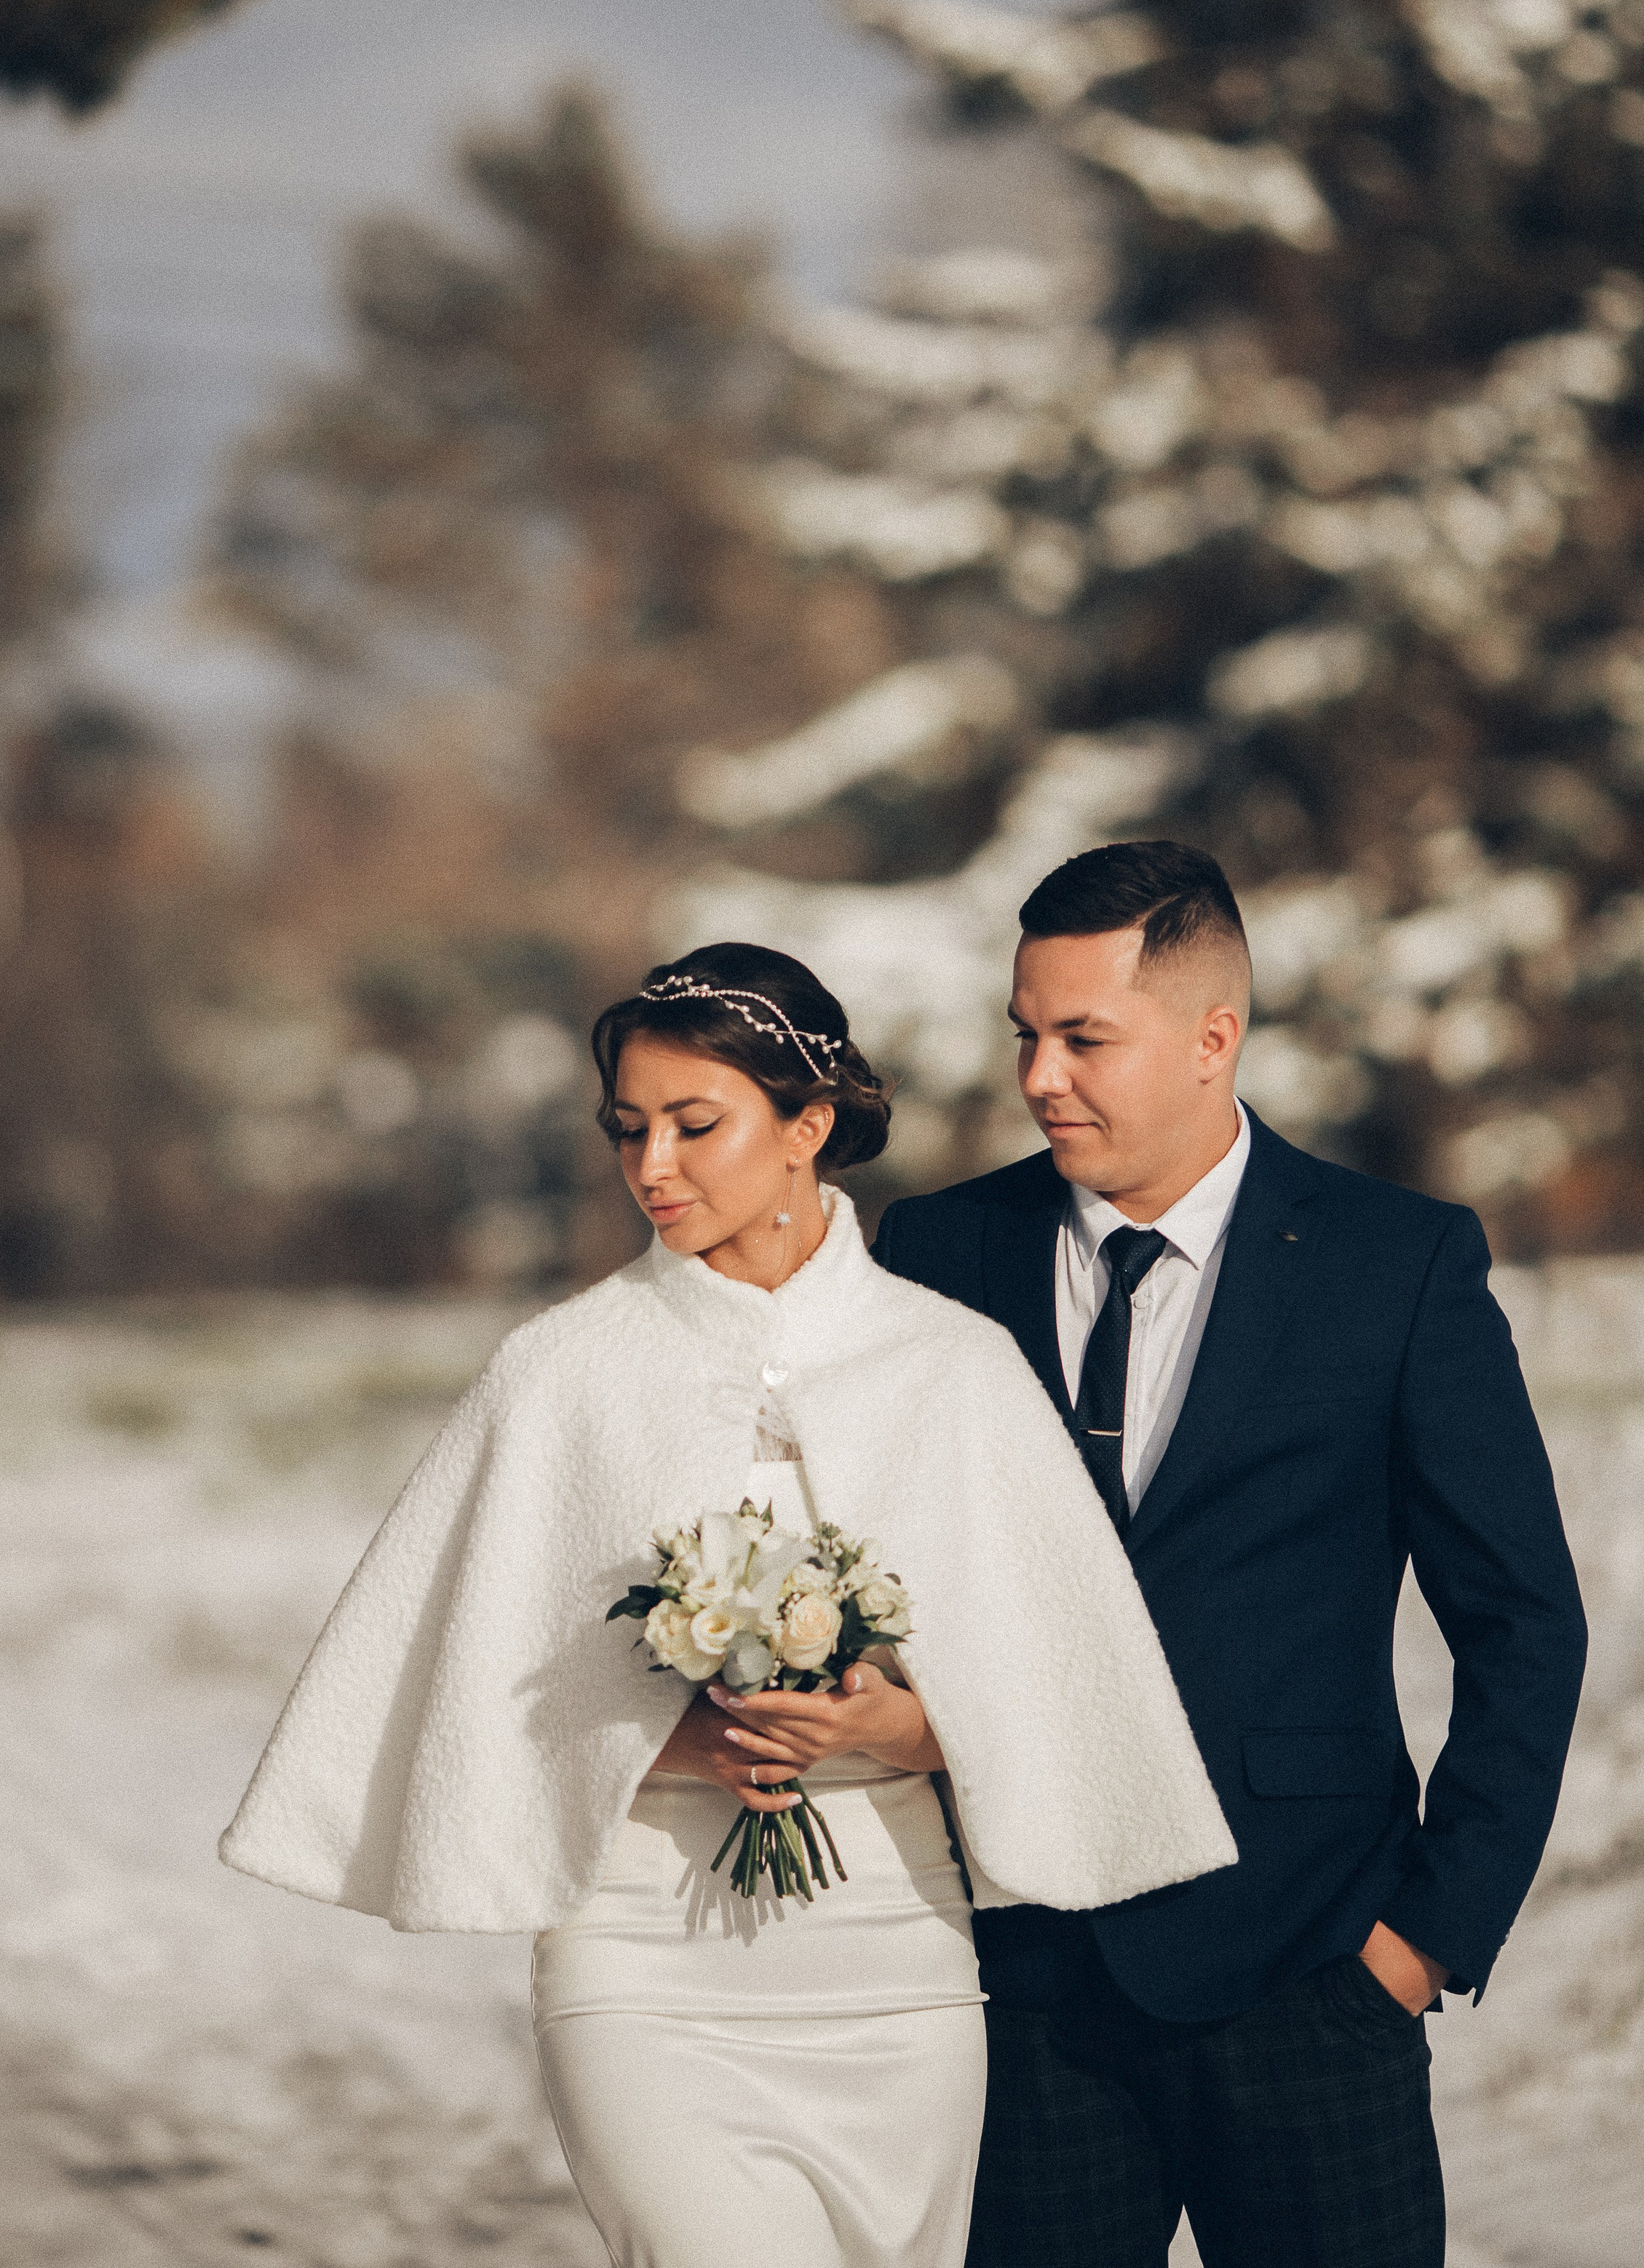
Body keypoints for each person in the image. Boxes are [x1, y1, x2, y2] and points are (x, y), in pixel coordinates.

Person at [220, 941, 1235, 2268]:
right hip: (642, 1963)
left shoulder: (954, 1369)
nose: (654, 1168)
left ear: (808, 1126)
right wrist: (661, 1737)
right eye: (629, 1130)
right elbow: (480, 1690)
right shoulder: (558, 1373)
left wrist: (895, 1729)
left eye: (697, 1126)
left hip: (896, 1965)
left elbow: (1054, 1698)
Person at [871, 841, 1589, 2268]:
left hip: (1311, 1973)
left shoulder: (1395, 1265)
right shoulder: (939, 1253)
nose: (1038, 1078)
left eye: (1084, 1038)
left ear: (1213, 1037)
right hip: (1023, 1989)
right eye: (1026, 1035)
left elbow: (1521, 1622)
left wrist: (1420, 1942)